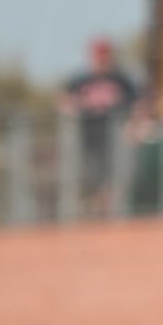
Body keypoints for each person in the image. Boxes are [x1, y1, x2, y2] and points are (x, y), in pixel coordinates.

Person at [60, 38, 137, 214]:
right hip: (88, 139)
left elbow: (137, 104)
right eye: (98, 56)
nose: (102, 61)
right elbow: (64, 101)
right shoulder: (80, 80)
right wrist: (73, 107)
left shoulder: (121, 80)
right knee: (92, 181)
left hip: (115, 140)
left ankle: (111, 213)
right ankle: (96, 212)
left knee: (116, 181)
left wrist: (133, 124)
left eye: (105, 56)